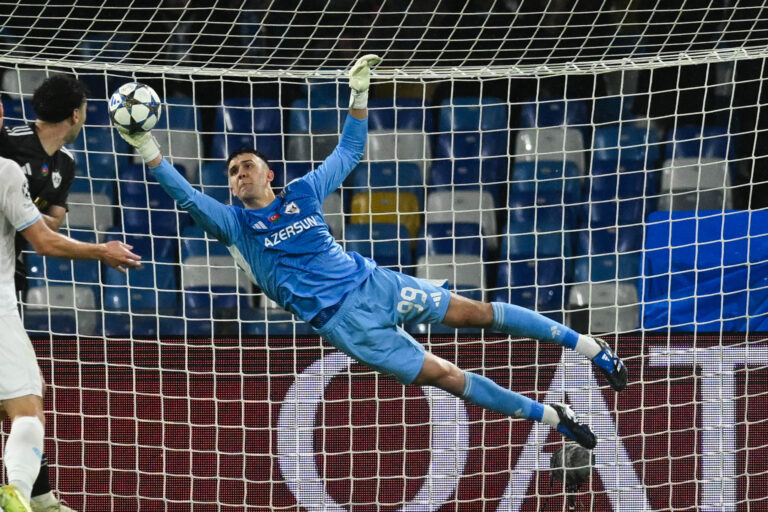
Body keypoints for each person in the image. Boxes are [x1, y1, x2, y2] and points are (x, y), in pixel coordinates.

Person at [118, 55, 627, 453]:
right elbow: (184, 193)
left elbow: (348, 153)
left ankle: (591, 348)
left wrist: (358, 95)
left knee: (477, 313)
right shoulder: (233, 224)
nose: (240, 174)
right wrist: (146, 146)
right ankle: (551, 416)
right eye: (232, 172)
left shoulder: (303, 192)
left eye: (248, 165)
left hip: (372, 282)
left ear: (269, 174)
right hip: (344, 324)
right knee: (447, 378)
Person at [0, 155, 141, 512]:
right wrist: (101, 250)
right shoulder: (4, 170)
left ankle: (43, 501)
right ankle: (16, 495)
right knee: (27, 408)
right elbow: (44, 242)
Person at [0, 74, 86, 512]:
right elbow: (44, 232)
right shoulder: (9, 145)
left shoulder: (66, 164)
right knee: (26, 400)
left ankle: (38, 495)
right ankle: (32, 496)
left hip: (13, 276)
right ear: (77, 114)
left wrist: (25, 215)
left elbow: (53, 221)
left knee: (28, 392)